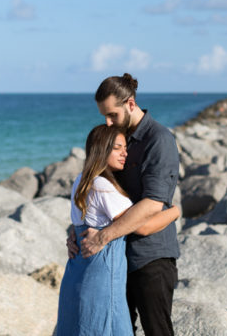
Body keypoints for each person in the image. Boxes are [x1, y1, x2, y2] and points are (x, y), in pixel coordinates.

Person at [72, 73, 181, 336]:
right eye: (104, 117)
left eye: (112, 115)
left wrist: (103, 237)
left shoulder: (159, 140)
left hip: (150, 256)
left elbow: (154, 203)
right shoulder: (116, 138)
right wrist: (74, 235)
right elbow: (96, 193)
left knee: (158, 331)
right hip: (117, 258)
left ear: (131, 104)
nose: (107, 122)